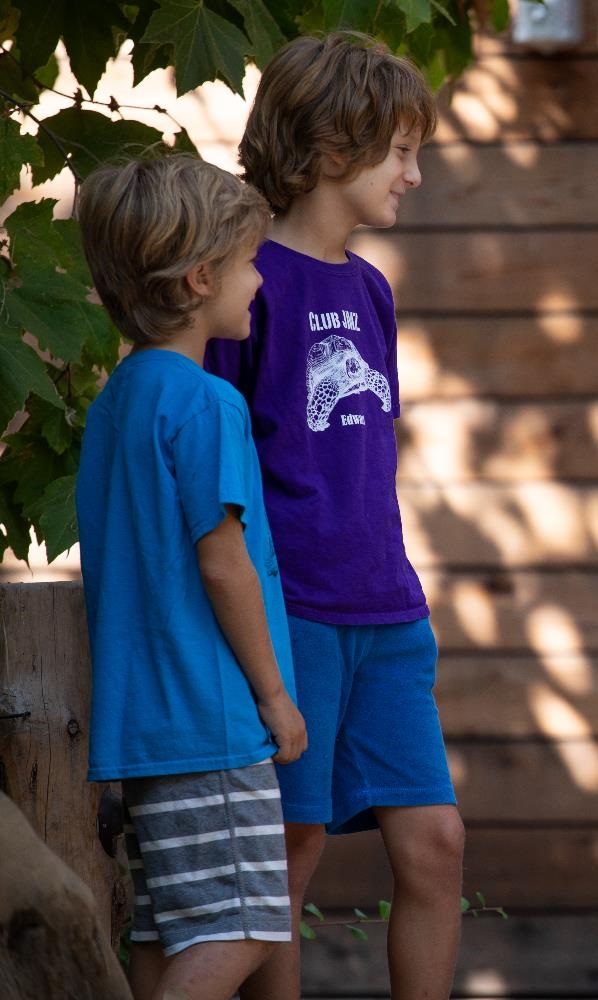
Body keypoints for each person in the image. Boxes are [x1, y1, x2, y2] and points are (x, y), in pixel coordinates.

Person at [203, 32, 464, 999]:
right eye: (400, 151)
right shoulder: (246, 288)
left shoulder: (371, 289)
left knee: (435, 843)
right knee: (293, 853)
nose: (415, 173)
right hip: (294, 615)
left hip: (390, 614)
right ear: (328, 151)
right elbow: (217, 472)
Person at [75, 155, 308, 1000]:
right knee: (243, 926)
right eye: (249, 264)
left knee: (168, 933)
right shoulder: (209, 403)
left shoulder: (121, 398)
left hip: (141, 728)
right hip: (210, 722)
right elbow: (223, 561)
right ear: (201, 277)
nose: (259, 282)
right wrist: (275, 695)